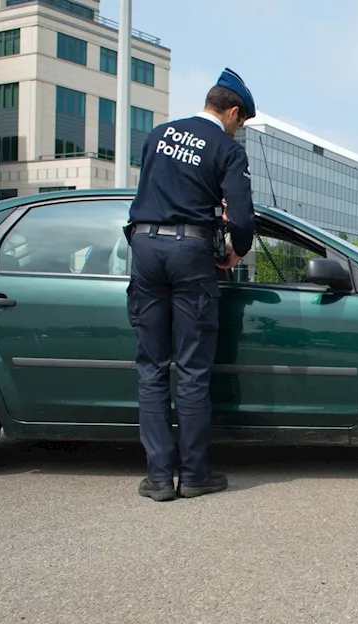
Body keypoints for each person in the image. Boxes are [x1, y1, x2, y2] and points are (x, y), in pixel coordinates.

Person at [125, 68, 257, 501]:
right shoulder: (225, 148)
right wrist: (236, 250)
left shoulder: (158, 134)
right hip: (190, 254)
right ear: (233, 112)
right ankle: (195, 475)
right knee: (193, 369)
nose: (239, 132)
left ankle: (159, 478)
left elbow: (146, 191)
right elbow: (241, 217)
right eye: (242, 124)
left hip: (143, 249)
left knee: (151, 367)